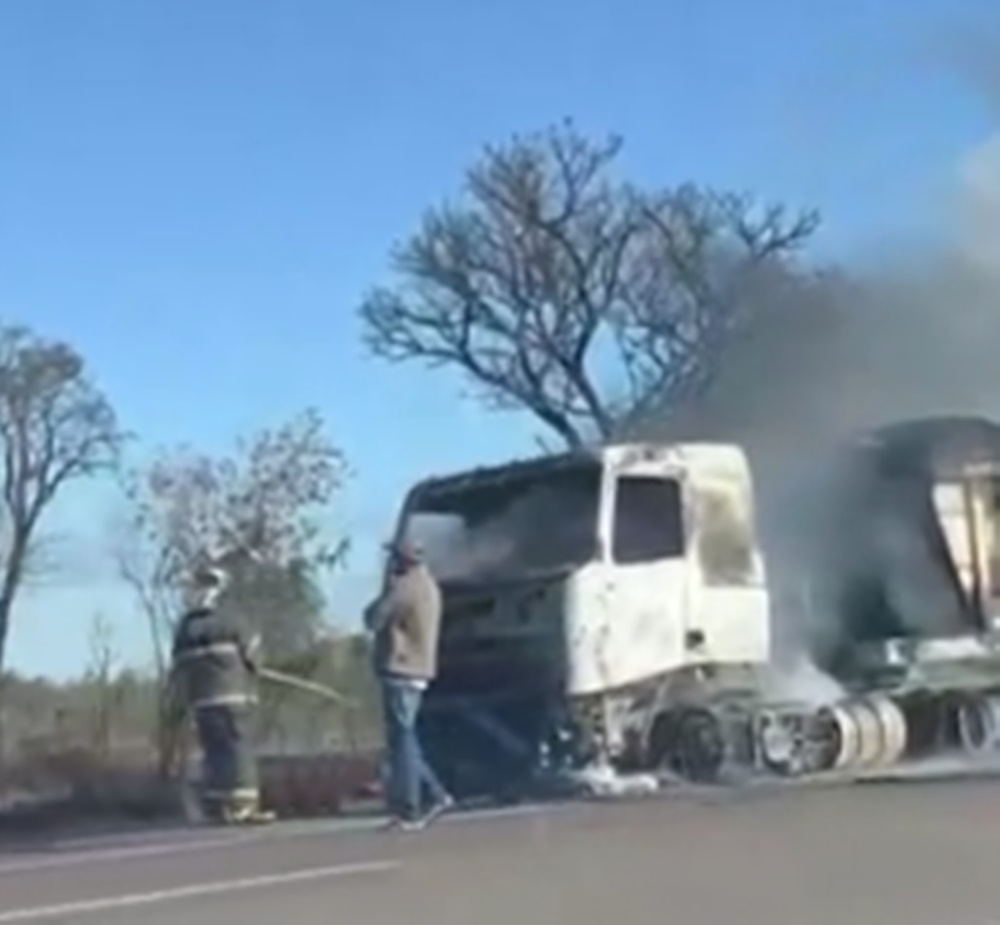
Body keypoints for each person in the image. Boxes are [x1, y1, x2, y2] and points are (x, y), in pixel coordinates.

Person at [166, 565, 273, 825]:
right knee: (238, 751)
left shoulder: (185, 629)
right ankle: (244, 807)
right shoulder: (233, 621)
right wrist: (256, 666)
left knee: (215, 752)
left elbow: (179, 667)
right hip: (234, 697)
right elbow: (254, 657)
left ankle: (218, 806)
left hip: (202, 701)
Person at [364, 539, 453, 830]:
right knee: (406, 738)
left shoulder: (403, 587)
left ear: (402, 560)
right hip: (418, 669)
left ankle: (412, 807)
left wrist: (385, 592)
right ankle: (434, 795)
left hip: (401, 667)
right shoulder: (429, 585)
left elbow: (374, 618)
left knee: (403, 740)